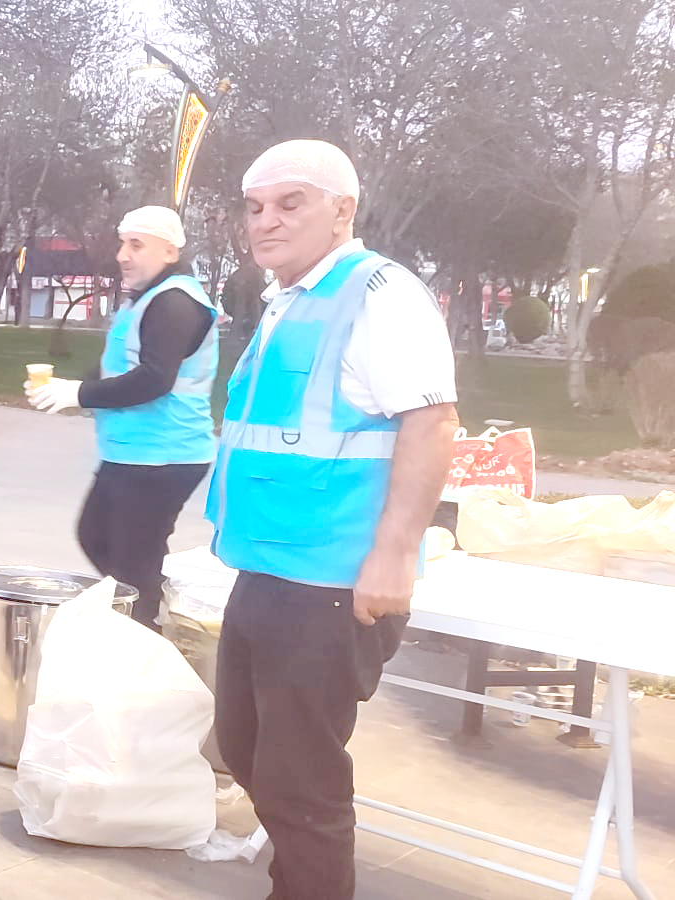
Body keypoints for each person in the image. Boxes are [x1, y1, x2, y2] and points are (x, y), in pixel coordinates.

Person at [208, 140, 459, 899]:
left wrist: (393, 556)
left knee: (301, 782)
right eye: (254, 208)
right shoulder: (291, 298)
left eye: (291, 204)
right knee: (248, 750)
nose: (266, 223)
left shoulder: (377, 293)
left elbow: (433, 422)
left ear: (342, 209)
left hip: (329, 582)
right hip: (269, 569)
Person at [26, 205, 219, 632]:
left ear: (169, 251)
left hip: (164, 455)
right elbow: (117, 365)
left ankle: (146, 637)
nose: (122, 255)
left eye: (136, 244)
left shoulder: (175, 303)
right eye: (122, 243)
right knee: (97, 537)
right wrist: (69, 388)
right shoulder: (148, 298)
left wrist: (79, 393)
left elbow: (154, 378)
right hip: (135, 451)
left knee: (131, 563)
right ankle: (155, 605)